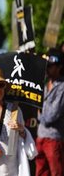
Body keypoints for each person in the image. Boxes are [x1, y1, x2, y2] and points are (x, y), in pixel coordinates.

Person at [35, 48, 64, 176]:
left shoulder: (62, 87)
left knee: (56, 172)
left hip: (53, 138)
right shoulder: (45, 83)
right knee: (40, 172)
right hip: (40, 136)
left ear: (59, 67)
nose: (47, 69)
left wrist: (39, 114)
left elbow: (52, 116)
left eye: (51, 66)